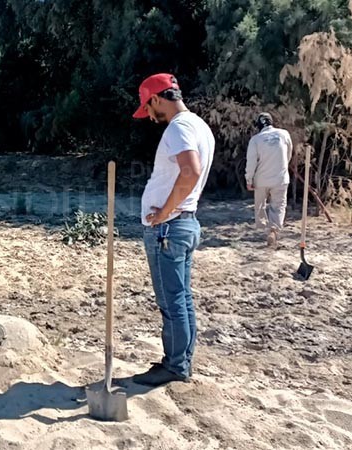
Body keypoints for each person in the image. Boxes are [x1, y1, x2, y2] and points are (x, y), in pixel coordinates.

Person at [131, 73, 215, 386]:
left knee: (172, 301)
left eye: (148, 108)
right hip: (183, 223)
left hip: (169, 228)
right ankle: (179, 361)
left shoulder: (179, 127)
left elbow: (190, 171)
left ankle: (176, 366)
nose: (150, 116)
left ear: (156, 98)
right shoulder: (200, 126)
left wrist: (165, 211)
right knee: (181, 299)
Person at [245, 112, 293, 248]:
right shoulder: (284, 134)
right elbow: (288, 153)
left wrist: (249, 179)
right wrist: (283, 166)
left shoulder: (255, 140)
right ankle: (274, 229)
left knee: (260, 205)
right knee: (278, 205)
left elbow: (251, 161)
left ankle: (263, 228)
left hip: (261, 179)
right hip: (280, 178)